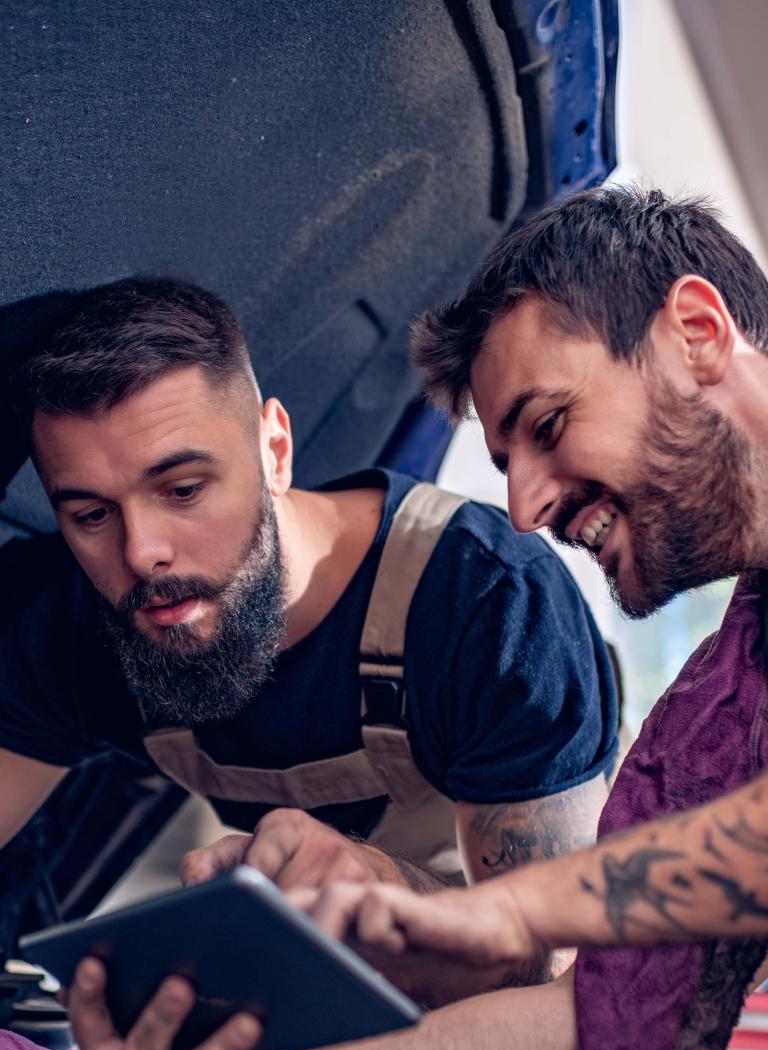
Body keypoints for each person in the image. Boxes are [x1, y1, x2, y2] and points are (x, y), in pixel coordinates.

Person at [66, 185, 768, 1050]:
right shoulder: (725, 720)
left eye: (551, 422)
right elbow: (603, 1020)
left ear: (697, 332)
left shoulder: (487, 597)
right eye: (504, 457)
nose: (523, 509)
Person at [0, 275, 616, 1006]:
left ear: (274, 449)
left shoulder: (489, 604)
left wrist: (376, 884)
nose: (142, 553)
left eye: (184, 489)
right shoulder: (74, 624)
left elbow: (546, 969)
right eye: (92, 515)